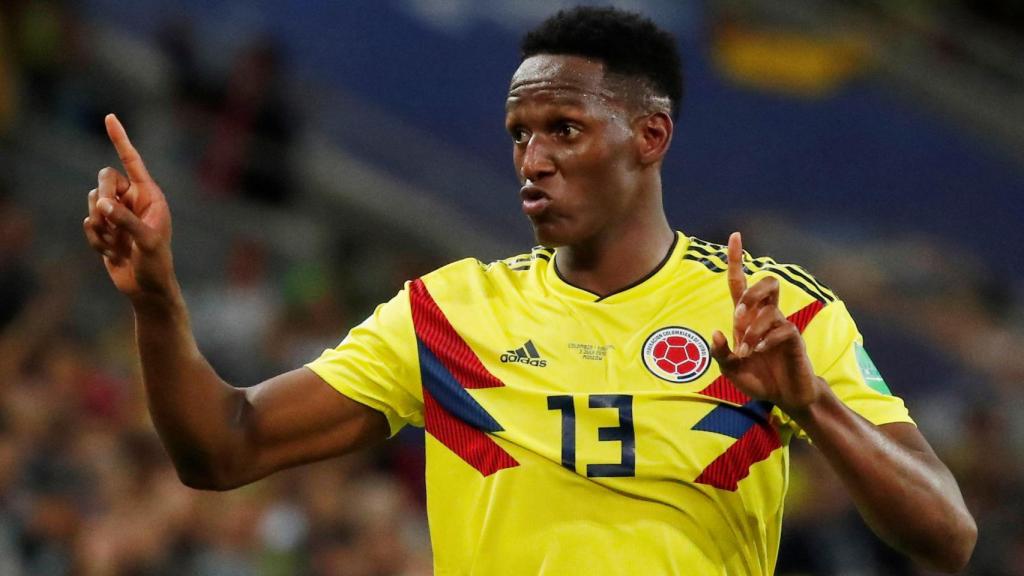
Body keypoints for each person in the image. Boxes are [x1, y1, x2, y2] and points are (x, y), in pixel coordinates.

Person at [82, 6, 976, 575]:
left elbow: (947, 535)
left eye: (564, 128)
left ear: (650, 136)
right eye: (518, 134)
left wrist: (812, 404)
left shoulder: (777, 313)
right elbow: (222, 450)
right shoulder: (448, 314)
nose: (532, 160)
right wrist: (157, 301)